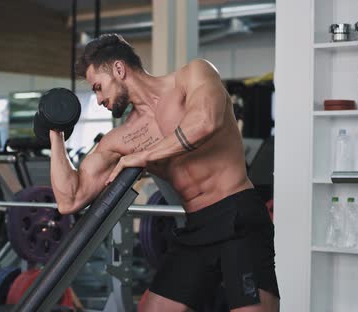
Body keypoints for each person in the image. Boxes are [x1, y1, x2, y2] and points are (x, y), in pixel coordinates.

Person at [48, 34, 279, 312]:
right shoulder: (122, 138)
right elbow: (70, 199)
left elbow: (205, 122)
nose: (98, 100)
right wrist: (55, 133)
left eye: (98, 87)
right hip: (196, 225)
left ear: (119, 70)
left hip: (238, 215)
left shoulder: (192, 76)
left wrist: (142, 156)